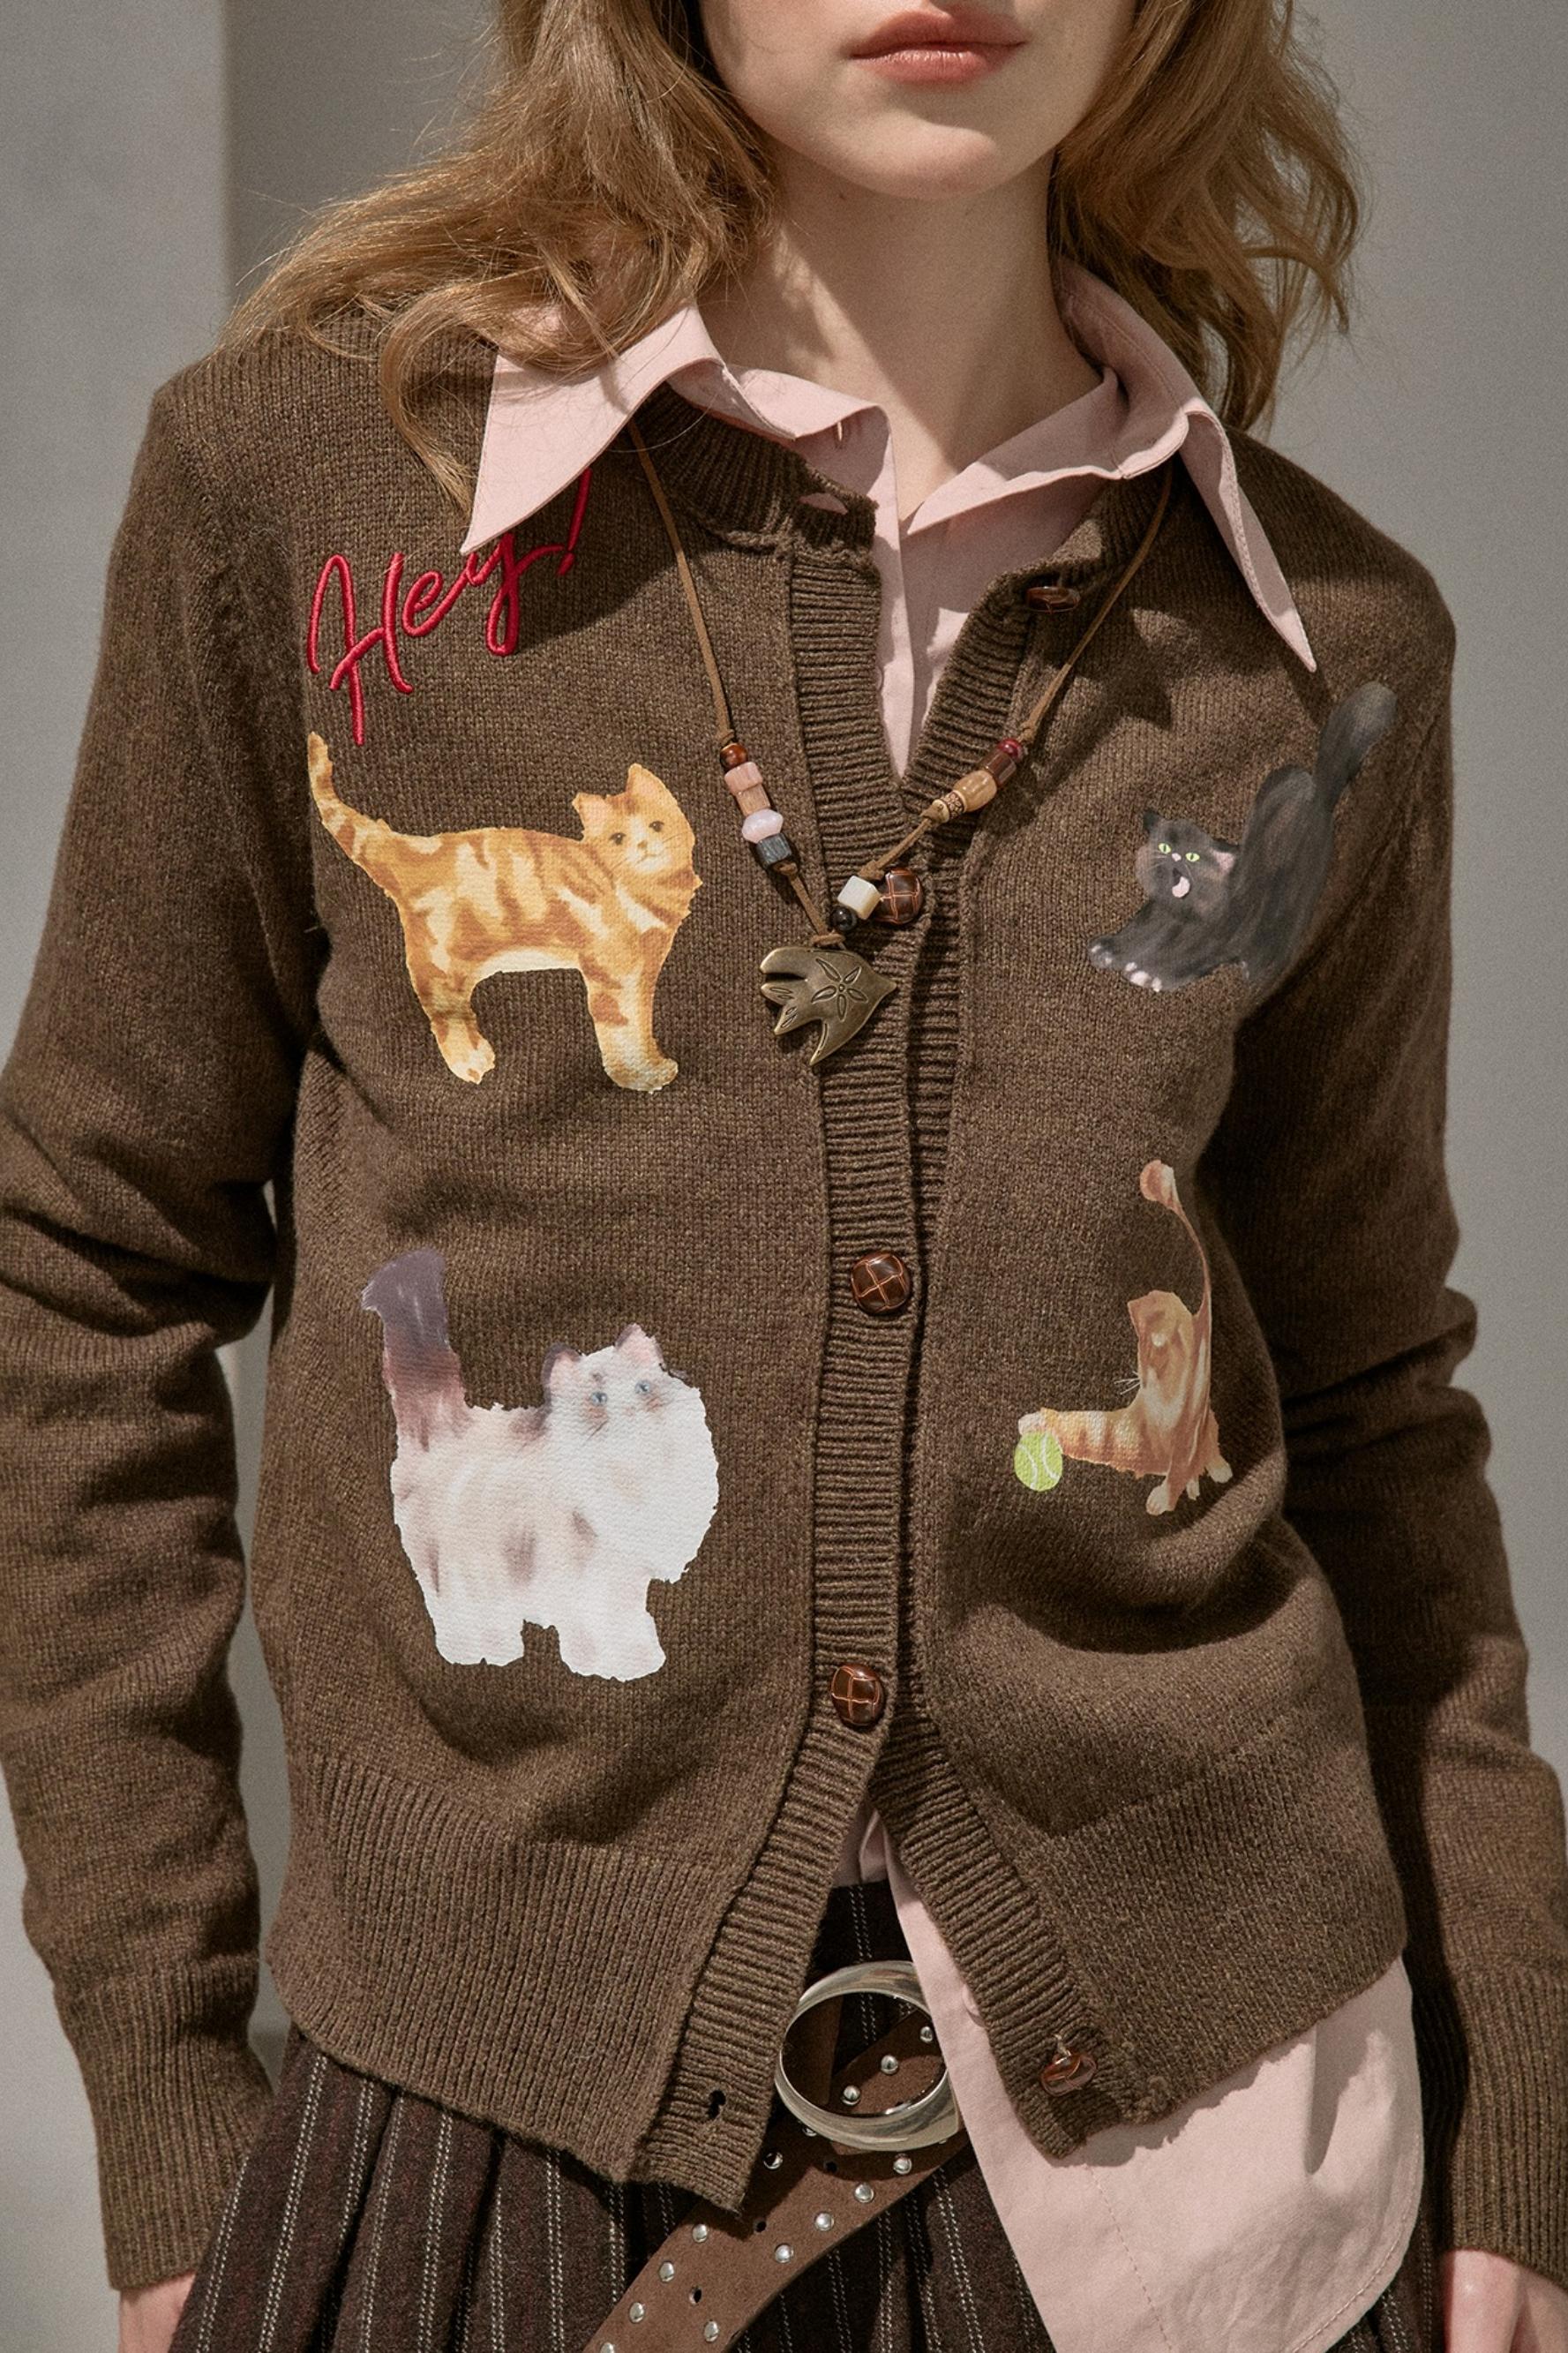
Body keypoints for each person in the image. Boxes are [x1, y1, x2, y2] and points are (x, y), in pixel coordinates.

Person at [1, 2, 1564, 2349]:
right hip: (475, 2148)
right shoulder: (312, 498)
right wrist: (171, 2108)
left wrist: (1516, 2087)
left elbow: (1362, 1399)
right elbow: (86, 1271)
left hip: (1222, 2187)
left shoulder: (1314, 654)